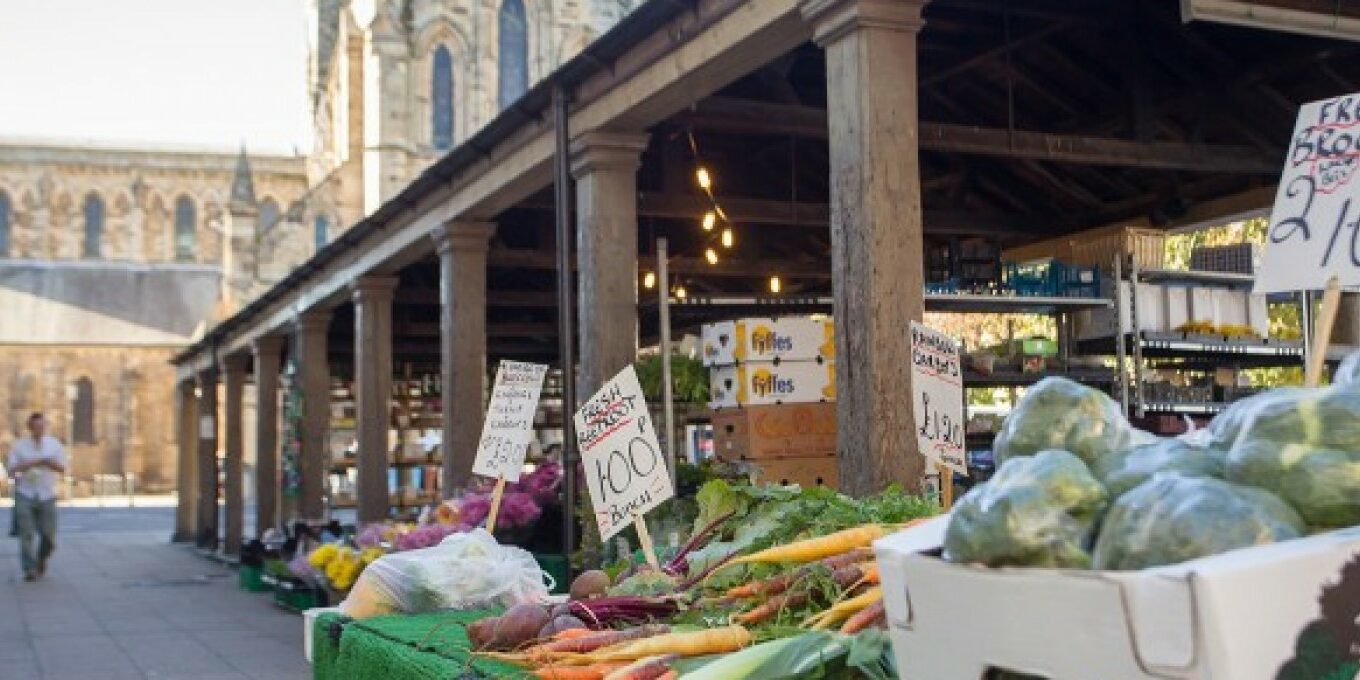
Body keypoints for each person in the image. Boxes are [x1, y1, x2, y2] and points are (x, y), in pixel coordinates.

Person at [6, 413, 66, 581]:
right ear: (30, 427)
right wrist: (30, 463)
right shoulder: (19, 446)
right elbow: (11, 470)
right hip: (25, 493)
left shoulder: (54, 445)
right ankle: (29, 569)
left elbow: (63, 468)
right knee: (26, 533)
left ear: (46, 427)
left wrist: (48, 462)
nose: (39, 429)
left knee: (48, 536)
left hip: (47, 494)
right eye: (36, 427)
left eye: (42, 426)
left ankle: (41, 559)